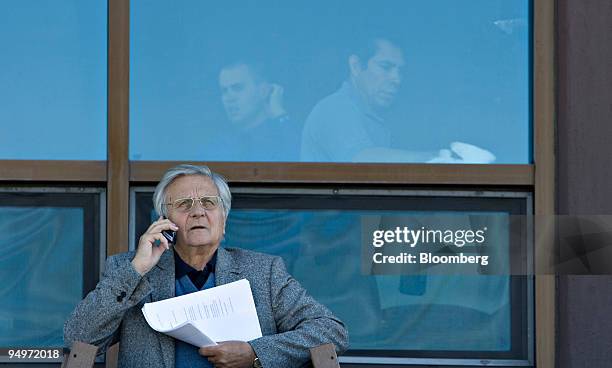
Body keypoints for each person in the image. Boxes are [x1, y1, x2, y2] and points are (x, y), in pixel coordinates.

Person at [64, 164, 348, 368]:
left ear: (223, 220)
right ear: (165, 220)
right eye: (185, 204)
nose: (198, 211)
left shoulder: (264, 272)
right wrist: (137, 269)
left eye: (209, 203)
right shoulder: (129, 270)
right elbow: (79, 339)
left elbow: (330, 331)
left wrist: (255, 353)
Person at [300, 37, 495, 163]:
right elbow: (360, 159)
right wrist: (440, 158)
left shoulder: (375, 118)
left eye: (400, 71)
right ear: (356, 65)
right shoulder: (335, 108)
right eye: (385, 67)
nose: (397, 79)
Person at [214, 62, 301, 161]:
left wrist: (279, 113)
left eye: (237, 88)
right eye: (224, 91)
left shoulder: (285, 135)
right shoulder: (220, 145)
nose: (229, 98)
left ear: (263, 91)